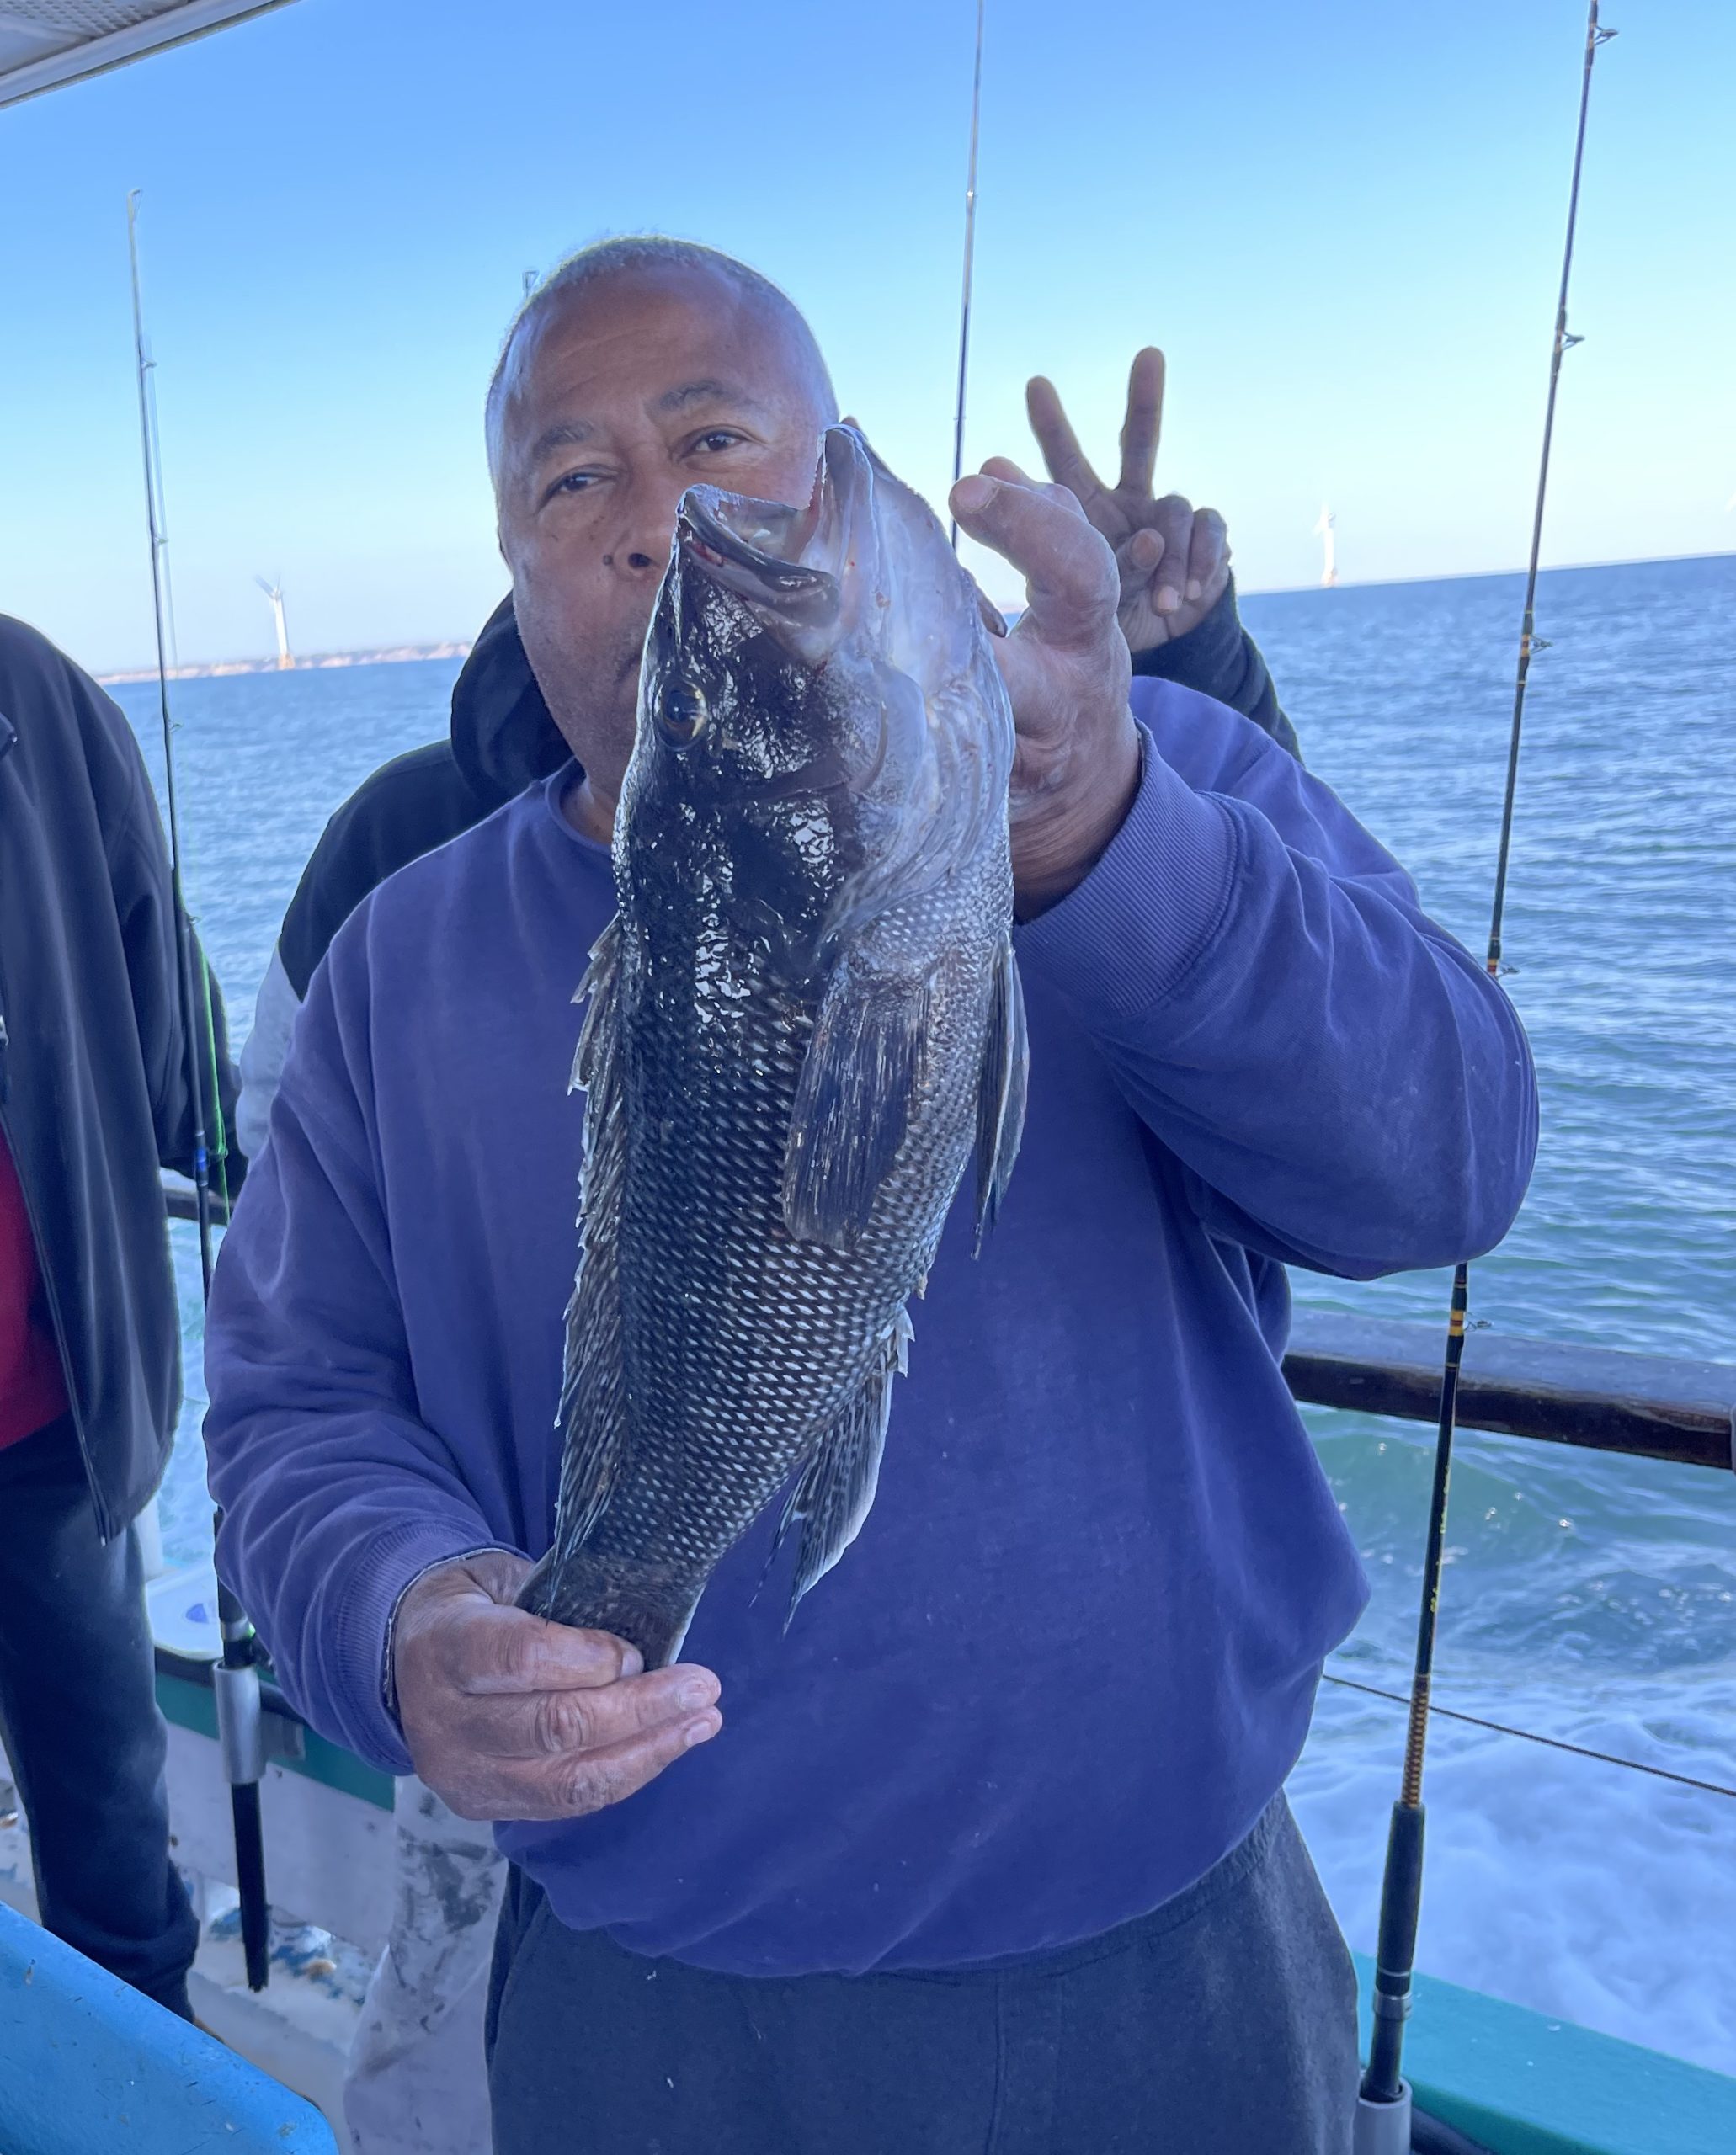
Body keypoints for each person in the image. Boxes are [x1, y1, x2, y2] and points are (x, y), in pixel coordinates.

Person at [205, 237, 1536, 2154]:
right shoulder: (396, 963)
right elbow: (294, 1408)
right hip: (634, 1998)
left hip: (1172, 1969)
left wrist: (1105, 841)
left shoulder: (1169, 780)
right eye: (572, 481)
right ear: (508, 568)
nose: (660, 523)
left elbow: (1451, 1158)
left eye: (718, 440)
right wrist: (398, 1618)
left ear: (864, 470)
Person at [0, 615, 238, 2021]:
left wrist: (216, 1134)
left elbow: (156, 972)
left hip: (51, 1420)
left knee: (112, 1861)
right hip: (57, 1411)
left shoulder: (33, 692)